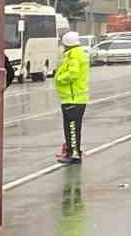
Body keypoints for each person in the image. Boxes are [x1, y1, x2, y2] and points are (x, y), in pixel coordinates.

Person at [53, 31, 89, 164]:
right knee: (71, 128)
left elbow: (73, 74)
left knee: (72, 128)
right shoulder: (77, 54)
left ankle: (74, 154)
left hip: (73, 99)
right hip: (72, 98)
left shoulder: (73, 56)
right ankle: (72, 152)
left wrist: (60, 79)